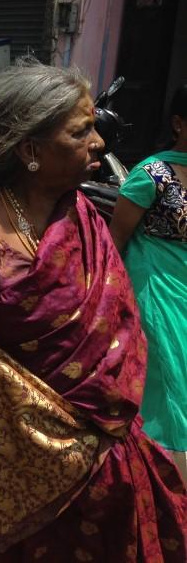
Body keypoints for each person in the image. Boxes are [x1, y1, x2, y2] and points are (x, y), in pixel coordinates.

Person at [0, 60, 186, 562]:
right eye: (81, 130)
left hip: (111, 462)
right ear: (30, 150)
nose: (99, 144)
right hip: (22, 474)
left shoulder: (78, 211)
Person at [110, 84, 187, 482]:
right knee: (166, 381)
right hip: (156, 294)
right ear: (178, 124)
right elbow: (116, 241)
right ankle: (152, 474)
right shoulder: (153, 174)